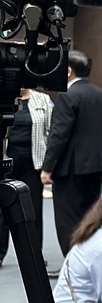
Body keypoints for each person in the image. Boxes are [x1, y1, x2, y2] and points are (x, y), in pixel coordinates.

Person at [42, 50, 102, 258]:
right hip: (95, 165)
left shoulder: (67, 96)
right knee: (91, 218)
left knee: (67, 221)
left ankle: (74, 263)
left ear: (68, 71)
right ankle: (90, 260)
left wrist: (48, 167)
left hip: (69, 169)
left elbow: (59, 135)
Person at [0, 87, 54, 271]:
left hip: (33, 164)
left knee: (33, 210)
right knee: (1, 212)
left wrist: (48, 164)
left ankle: (34, 255)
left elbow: (51, 130)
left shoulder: (42, 99)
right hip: (5, 162)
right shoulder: (3, 96)